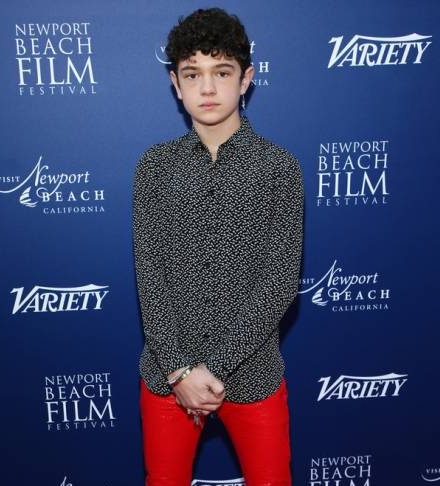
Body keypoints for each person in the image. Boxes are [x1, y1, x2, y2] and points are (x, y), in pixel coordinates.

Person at [132, 7, 304, 486]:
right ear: (176, 83)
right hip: (168, 377)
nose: (207, 88)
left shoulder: (279, 168)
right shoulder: (154, 168)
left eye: (222, 72)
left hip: (253, 374)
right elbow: (151, 277)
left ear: (246, 79)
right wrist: (180, 371)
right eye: (193, 74)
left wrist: (216, 366)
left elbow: (280, 282)